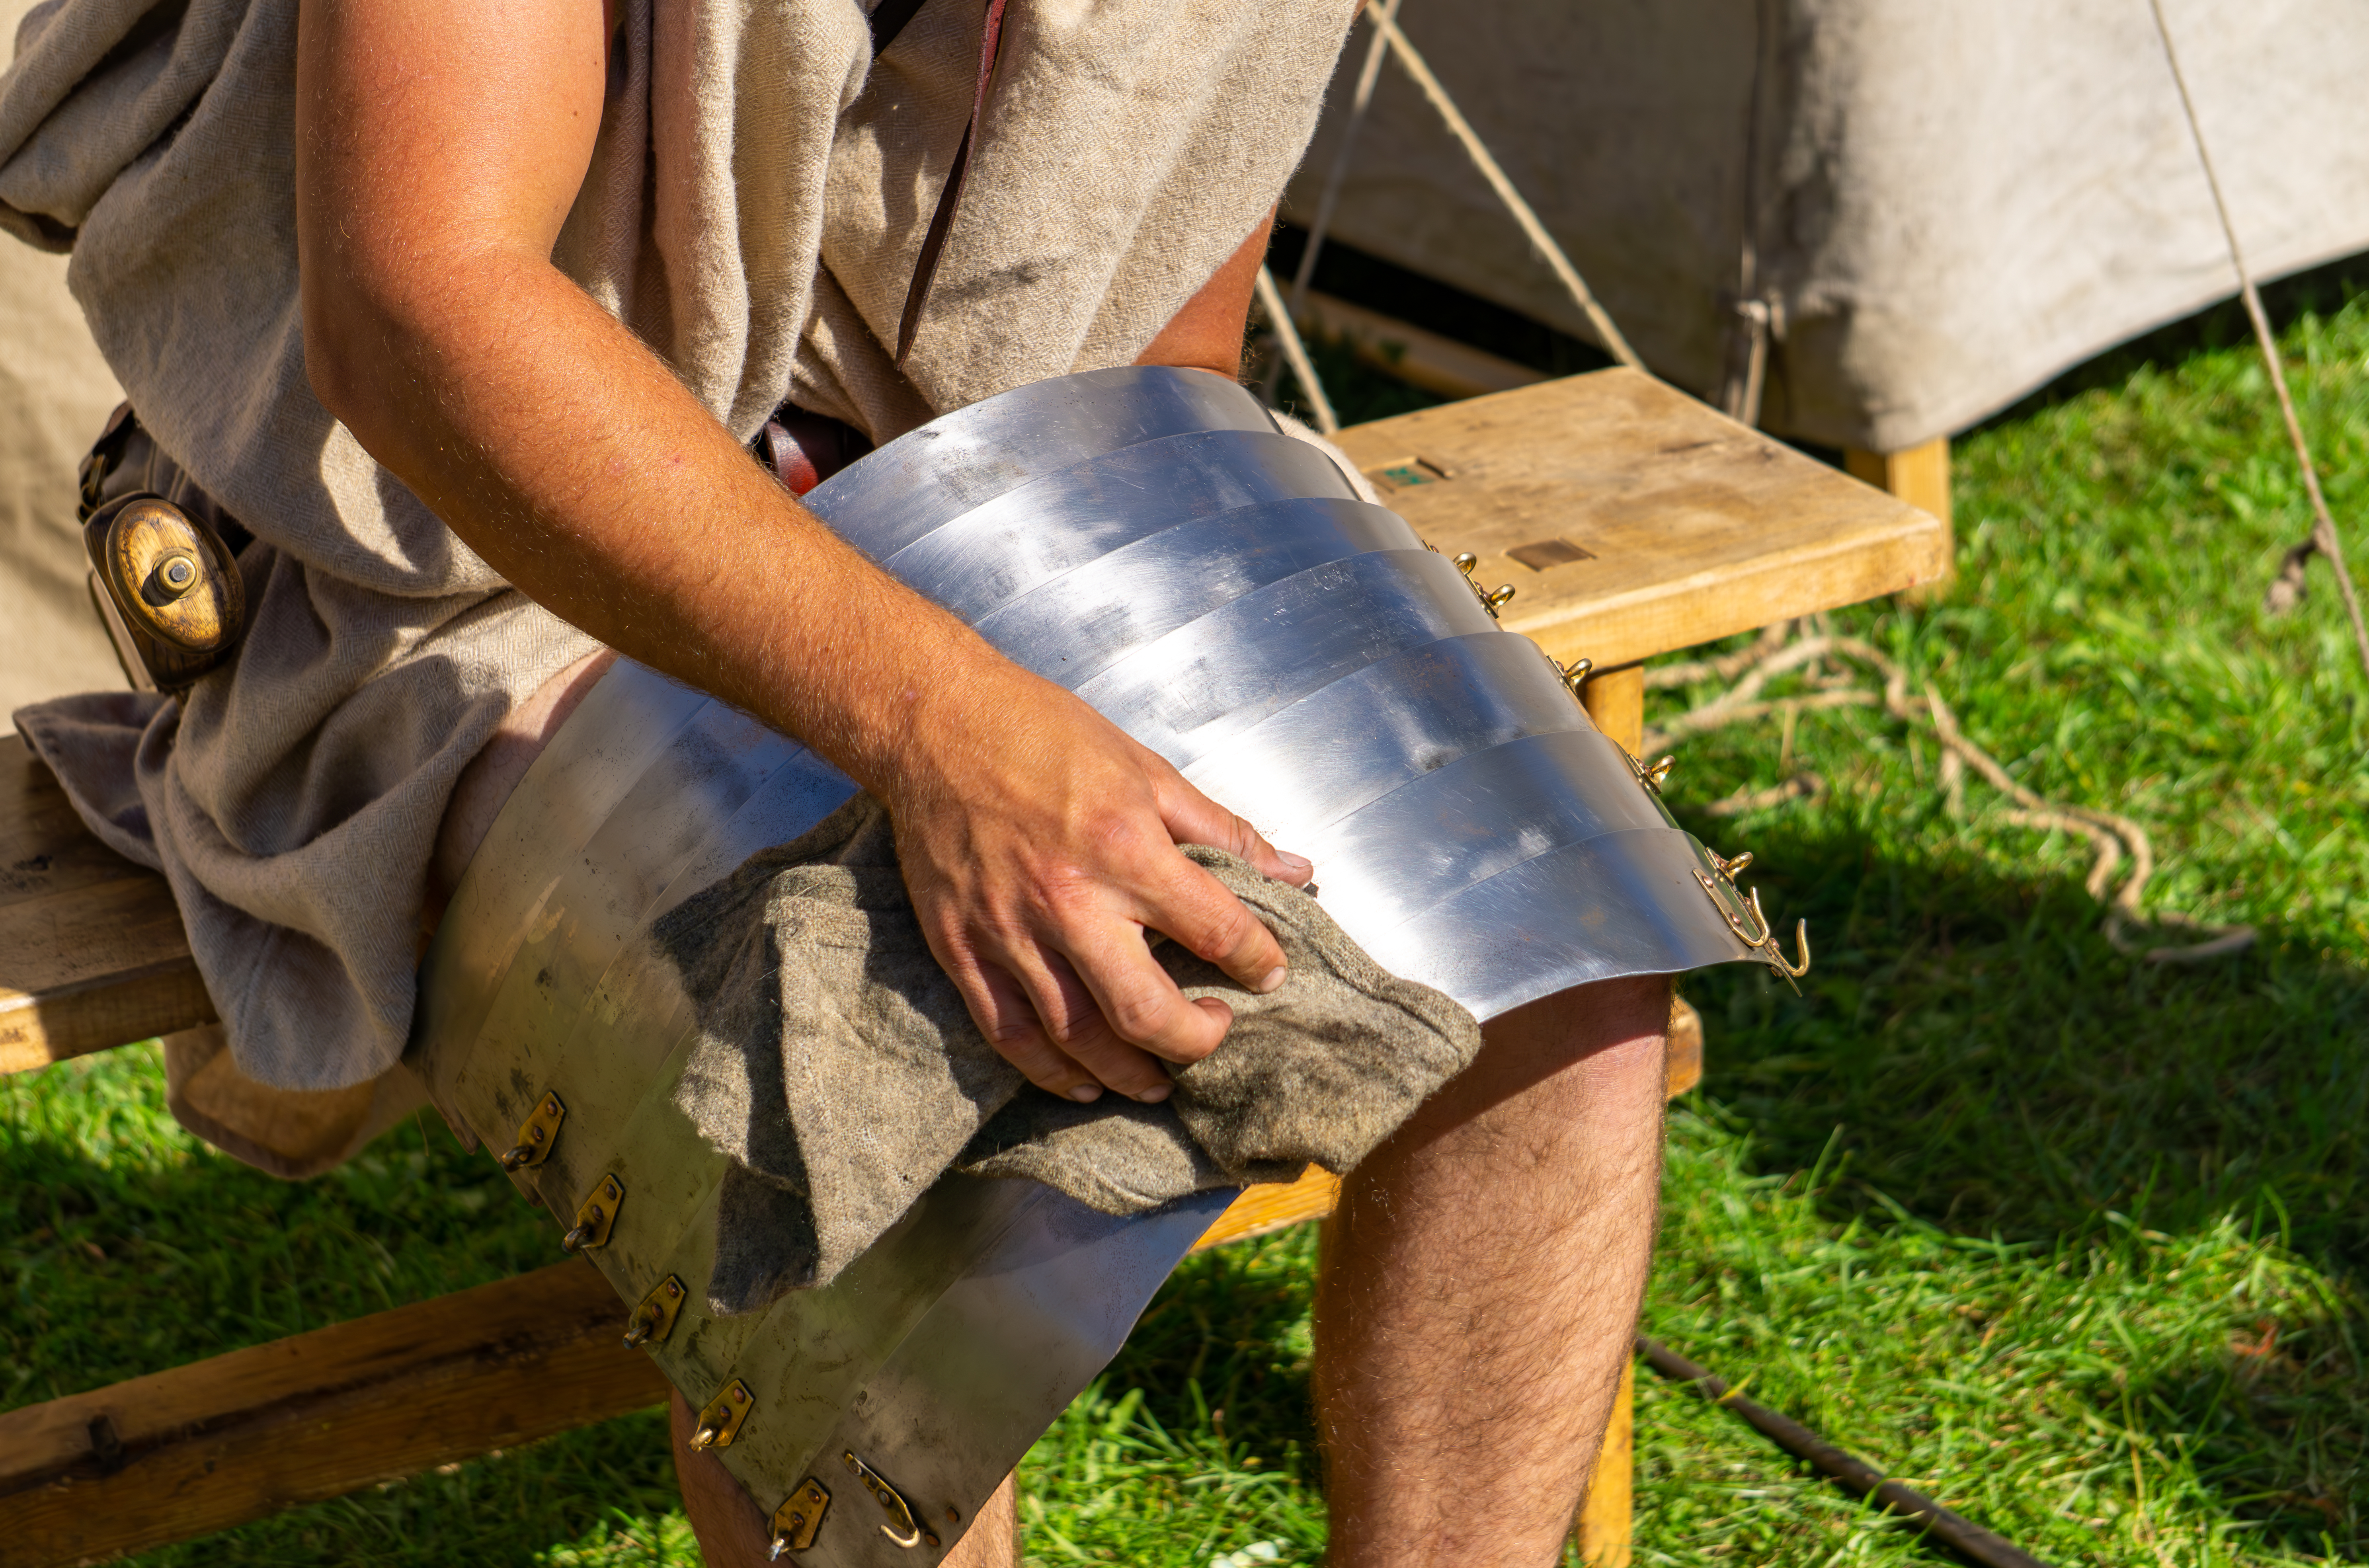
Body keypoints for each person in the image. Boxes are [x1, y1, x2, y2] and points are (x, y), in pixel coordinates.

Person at [3, 0, 1670, 1558]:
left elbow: (1165, 332)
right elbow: (419, 306)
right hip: (449, 563)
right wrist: (953, 737)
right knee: (857, 1131)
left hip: (1002, 499)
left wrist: (1122, 682)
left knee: (1555, 1005)